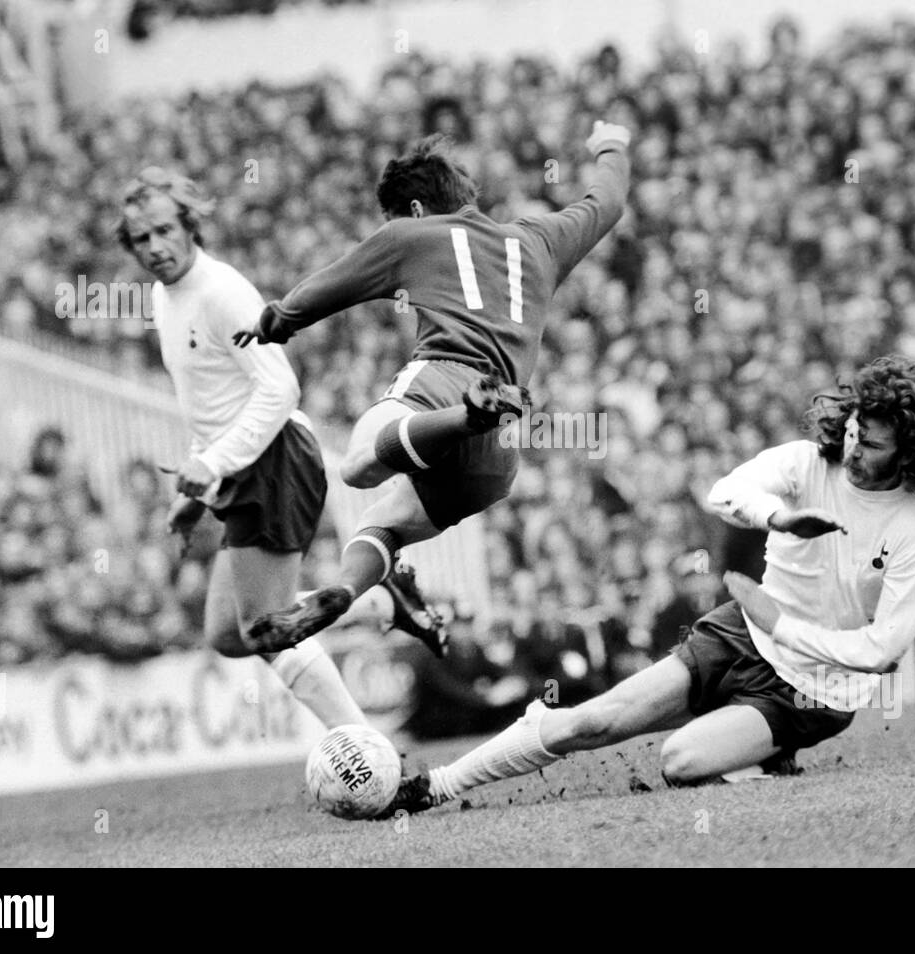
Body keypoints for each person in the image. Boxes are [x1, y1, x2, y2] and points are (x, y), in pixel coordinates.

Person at [381, 356, 915, 815]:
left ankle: (769, 754)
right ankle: (433, 788)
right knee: (592, 722)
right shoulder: (805, 465)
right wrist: (778, 517)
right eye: (852, 431)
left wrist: (788, 629)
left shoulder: (914, 531)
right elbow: (723, 493)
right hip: (741, 632)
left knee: (680, 761)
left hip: (814, 690)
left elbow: (882, 650)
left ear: (908, 452)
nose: (852, 447)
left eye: (871, 444)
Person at [233, 122, 632, 656]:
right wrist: (611, 146)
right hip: (500, 453)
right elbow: (607, 202)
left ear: (417, 210)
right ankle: (351, 591)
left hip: (445, 379)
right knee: (387, 523)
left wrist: (275, 321)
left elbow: (328, 287)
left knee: (356, 466)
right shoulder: (540, 239)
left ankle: (467, 416)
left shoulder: (410, 237)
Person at [115, 166, 412, 732]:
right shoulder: (163, 297)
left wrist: (213, 464)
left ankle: (369, 751)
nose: (155, 247)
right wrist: (199, 493)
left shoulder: (222, 292)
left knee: (264, 627)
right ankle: (381, 600)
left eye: (163, 230)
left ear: (189, 225)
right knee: (228, 634)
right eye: (140, 238)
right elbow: (208, 402)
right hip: (241, 470)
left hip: (274, 459)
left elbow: (280, 387)